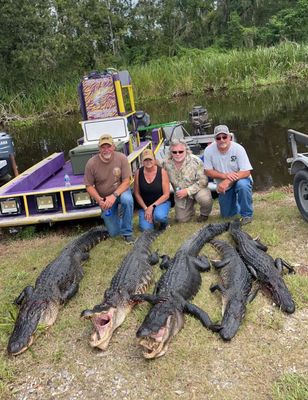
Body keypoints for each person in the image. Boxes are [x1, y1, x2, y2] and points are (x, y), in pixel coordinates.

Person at [84, 134, 135, 243]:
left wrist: (114, 196)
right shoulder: (91, 163)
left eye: (108, 146)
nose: (106, 150)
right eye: (103, 147)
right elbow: (88, 186)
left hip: (120, 192)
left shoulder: (121, 158)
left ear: (113, 147)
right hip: (104, 199)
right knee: (114, 233)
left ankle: (127, 232)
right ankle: (120, 221)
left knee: (127, 200)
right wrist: (99, 200)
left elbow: (126, 181)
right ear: (99, 149)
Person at [203, 124, 253, 224]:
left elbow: (247, 171)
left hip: (240, 179)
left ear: (230, 137)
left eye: (224, 137)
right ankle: (237, 204)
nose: (222, 140)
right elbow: (207, 171)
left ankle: (247, 215)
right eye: (218, 137)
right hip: (223, 184)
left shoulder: (238, 149)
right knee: (227, 215)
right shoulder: (208, 150)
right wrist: (225, 176)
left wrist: (228, 180)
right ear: (215, 139)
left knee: (243, 186)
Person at [163, 138, 213, 223]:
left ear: (186, 150)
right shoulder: (166, 164)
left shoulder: (196, 161)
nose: (178, 154)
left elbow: (203, 181)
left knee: (204, 199)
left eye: (181, 151)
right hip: (180, 194)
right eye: (174, 152)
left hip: (197, 189)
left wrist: (188, 191)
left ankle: (204, 214)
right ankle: (190, 211)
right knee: (182, 220)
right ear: (170, 153)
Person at [134, 148, 171, 231]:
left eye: (150, 159)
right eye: (145, 159)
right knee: (146, 229)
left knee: (160, 217)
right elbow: (137, 193)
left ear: (154, 160)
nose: (148, 162)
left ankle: (163, 222)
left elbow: (166, 194)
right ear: (142, 162)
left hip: (161, 203)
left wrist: (152, 207)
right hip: (145, 206)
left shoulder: (162, 172)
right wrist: (146, 208)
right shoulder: (138, 173)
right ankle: (152, 218)